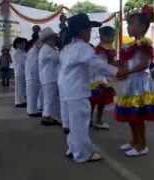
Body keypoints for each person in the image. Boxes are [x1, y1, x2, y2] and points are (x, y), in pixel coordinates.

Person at [57, 13, 122, 163]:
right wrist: (117, 72)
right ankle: (82, 154)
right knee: (80, 124)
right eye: (89, 30)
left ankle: (73, 149)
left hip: (67, 91)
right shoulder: (83, 47)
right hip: (77, 91)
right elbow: (97, 64)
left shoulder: (68, 47)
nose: (90, 33)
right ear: (81, 31)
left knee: (74, 124)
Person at [115, 5, 154, 157]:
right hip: (131, 82)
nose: (128, 27)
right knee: (131, 114)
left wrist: (127, 71)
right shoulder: (130, 45)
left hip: (140, 84)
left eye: (132, 24)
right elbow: (126, 63)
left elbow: (144, 64)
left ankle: (142, 145)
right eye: (128, 24)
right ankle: (134, 140)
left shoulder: (144, 43)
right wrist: (121, 71)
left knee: (137, 116)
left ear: (142, 27)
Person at [89, 26, 117, 130]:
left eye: (113, 36)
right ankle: (92, 120)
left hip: (105, 77)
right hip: (98, 78)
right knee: (94, 100)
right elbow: (102, 65)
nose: (112, 39)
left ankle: (97, 120)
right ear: (103, 36)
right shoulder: (100, 49)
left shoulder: (107, 48)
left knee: (101, 101)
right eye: (111, 36)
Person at [38, 27, 61, 126]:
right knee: (49, 98)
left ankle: (50, 116)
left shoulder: (51, 49)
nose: (55, 40)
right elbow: (58, 59)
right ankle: (46, 117)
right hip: (49, 78)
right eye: (53, 39)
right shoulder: (46, 49)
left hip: (51, 77)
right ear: (47, 40)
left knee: (51, 98)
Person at [25, 38, 43, 117]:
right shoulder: (33, 52)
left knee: (34, 94)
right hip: (33, 76)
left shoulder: (35, 51)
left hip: (33, 76)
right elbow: (34, 65)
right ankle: (32, 111)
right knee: (32, 94)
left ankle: (33, 110)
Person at [12, 37, 28, 108]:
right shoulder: (17, 52)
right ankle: (19, 102)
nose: (24, 45)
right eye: (22, 43)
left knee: (22, 87)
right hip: (19, 72)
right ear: (17, 44)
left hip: (23, 72)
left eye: (24, 43)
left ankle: (22, 101)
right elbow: (22, 62)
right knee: (19, 88)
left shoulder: (23, 52)